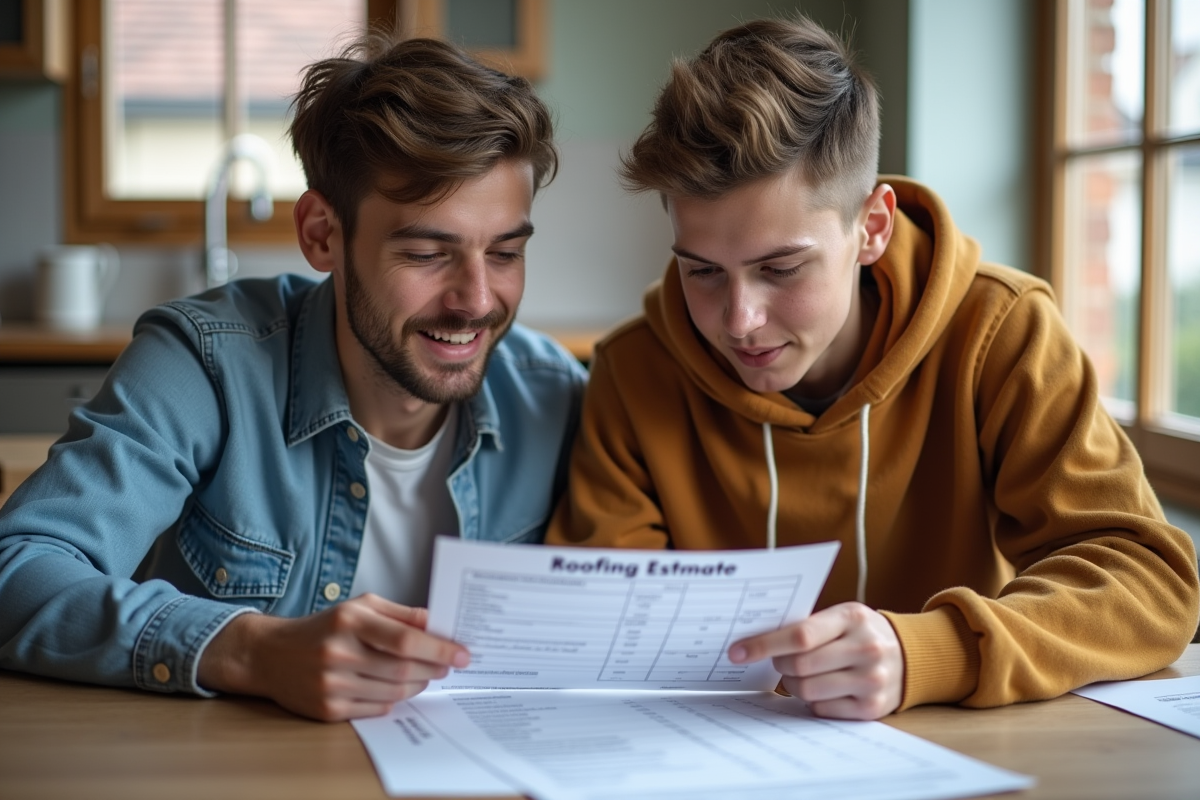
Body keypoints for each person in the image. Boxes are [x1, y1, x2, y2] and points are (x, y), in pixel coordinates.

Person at [546, 16, 1198, 720]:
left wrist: (927, 649)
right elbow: (599, 632)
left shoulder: (1002, 333)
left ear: (873, 228)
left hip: (963, 756)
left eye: (780, 268)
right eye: (703, 272)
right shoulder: (634, 371)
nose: (738, 319)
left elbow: (1150, 584)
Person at [0, 34, 585, 722]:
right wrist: (251, 650)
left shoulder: (556, 397)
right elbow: (19, 570)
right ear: (322, 234)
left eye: (506, 252)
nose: (477, 299)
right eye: (428, 252)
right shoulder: (207, 365)